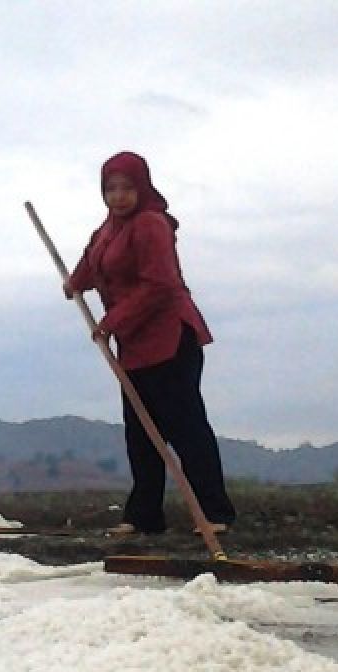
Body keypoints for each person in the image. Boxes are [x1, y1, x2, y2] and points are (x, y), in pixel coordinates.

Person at [64, 151, 235, 536]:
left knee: (185, 427)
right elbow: (94, 263)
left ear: (142, 187)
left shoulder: (152, 225)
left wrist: (111, 322)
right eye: (110, 189)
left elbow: (160, 285)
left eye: (126, 188)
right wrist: (74, 283)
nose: (118, 196)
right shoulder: (108, 229)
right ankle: (143, 515)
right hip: (135, 345)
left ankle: (214, 511)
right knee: (141, 430)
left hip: (170, 336)